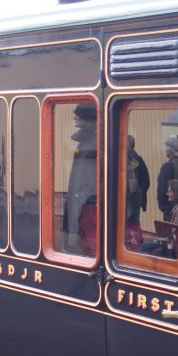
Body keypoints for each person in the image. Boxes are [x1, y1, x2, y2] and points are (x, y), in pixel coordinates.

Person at [64, 103, 97, 255]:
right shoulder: (88, 140)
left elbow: (88, 175)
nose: (74, 117)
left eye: (79, 113)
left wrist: (82, 196)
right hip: (83, 197)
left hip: (87, 199)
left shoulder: (93, 141)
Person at [156, 136, 178, 221]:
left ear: (171, 150)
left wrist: (163, 206)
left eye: (166, 147)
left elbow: (162, 189)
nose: (165, 150)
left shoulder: (167, 166)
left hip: (170, 209)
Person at [126, 134, 150, 222]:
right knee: (134, 224)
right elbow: (146, 180)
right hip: (136, 198)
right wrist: (140, 194)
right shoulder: (138, 159)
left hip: (128, 198)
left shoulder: (124, 159)